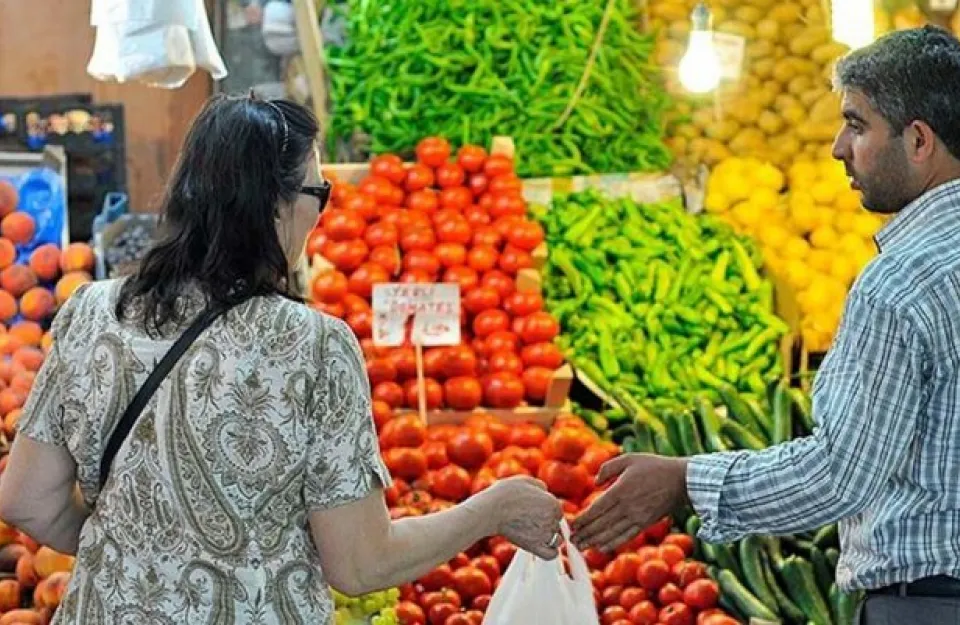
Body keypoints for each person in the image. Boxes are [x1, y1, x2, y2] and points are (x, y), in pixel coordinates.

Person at [572, 25, 960, 625]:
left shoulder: (904, 281)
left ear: (919, 140)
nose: (836, 147)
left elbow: (841, 473)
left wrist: (685, 481)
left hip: (942, 610)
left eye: (856, 125)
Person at [0, 94, 564, 625]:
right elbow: (360, 564)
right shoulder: (316, 347)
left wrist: (140, 553)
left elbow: (25, 501)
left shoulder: (92, 312)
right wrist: (491, 509)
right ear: (275, 206)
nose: (319, 215)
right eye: (318, 196)